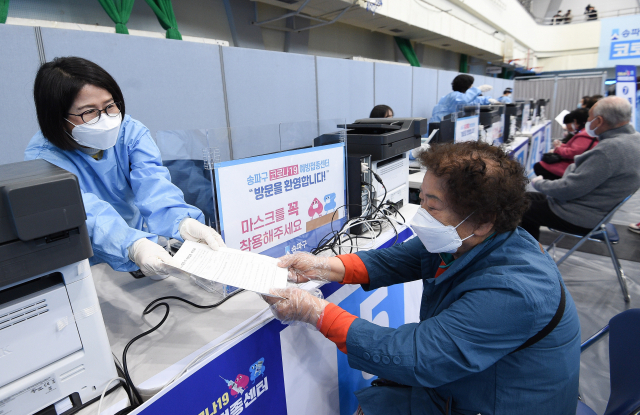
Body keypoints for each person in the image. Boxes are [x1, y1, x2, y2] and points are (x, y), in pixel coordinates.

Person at [264, 141, 580, 415]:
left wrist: (315, 313)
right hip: (467, 383)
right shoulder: (466, 239)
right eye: (422, 199)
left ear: (482, 221)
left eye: (433, 205)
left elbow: (415, 356)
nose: (422, 214)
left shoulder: (515, 291)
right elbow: (394, 259)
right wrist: (321, 266)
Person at [25, 57, 225, 279]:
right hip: (90, 261)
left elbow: (154, 185)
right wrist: (133, 245)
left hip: (141, 247)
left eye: (110, 105)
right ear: (57, 117)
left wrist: (182, 222)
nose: (106, 119)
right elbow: (86, 213)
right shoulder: (43, 159)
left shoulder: (130, 133)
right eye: (89, 111)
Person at [522, 97, 640, 240]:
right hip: (592, 208)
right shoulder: (634, 140)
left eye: (590, 117)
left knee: (514, 209)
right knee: (520, 199)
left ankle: (529, 255)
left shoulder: (609, 150)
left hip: (577, 214)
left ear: (599, 121)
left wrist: (538, 183)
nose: (588, 122)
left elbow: (568, 189)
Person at [534, 108, 596, 180]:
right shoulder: (585, 132)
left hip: (575, 166)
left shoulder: (585, 135)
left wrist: (557, 148)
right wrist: (561, 145)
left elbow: (571, 153)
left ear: (575, 121)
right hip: (576, 164)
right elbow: (574, 148)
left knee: (539, 166)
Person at [430, 74, 496, 122]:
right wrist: (478, 89)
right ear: (466, 86)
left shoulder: (457, 97)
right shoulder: (454, 96)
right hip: (438, 126)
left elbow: (472, 102)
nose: (472, 87)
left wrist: (487, 100)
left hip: (444, 126)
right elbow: (465, 100)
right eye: (471, 85)